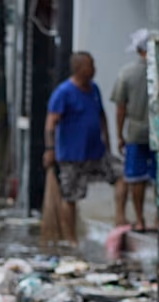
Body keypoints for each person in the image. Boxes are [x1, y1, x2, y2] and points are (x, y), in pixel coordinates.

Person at [44, 52, 121, 244]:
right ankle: (71, 240)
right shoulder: (64, 93)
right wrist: (50, 149)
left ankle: (120, 218)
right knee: (70, 197)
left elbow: (101, 115)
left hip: (96, 152)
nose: (94, 69)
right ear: (79, 69)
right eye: (90, 65)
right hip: (72, 156)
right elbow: (51, 124)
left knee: (122, 175)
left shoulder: (94, 89)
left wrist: (107, 143)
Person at [112, 29, 155, 232]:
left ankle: (140, 220)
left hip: (136, 133)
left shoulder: (127, 74)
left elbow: (120, 108)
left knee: (137, 178)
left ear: (138, 50)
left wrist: (119, 135)